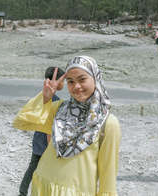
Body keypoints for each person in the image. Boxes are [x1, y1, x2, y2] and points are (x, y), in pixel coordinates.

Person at [13, 56, 121, 195]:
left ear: (95, 78)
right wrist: (45, 98)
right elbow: (23, 121)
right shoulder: (59, 108)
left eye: (82, 79)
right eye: (70, 81)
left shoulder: (108, 123)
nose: (76, 86)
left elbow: (108, 179)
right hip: (43, 187)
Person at [18, 67, 64, 196]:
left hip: (38, 137)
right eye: (62, 80)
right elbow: (51, 127)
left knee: (33, 167)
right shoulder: (55, 100)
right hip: (47, 140)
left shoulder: (43, 95)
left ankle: (22, 192)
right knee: (48, 169)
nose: (64, 83)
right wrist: (52, 146)